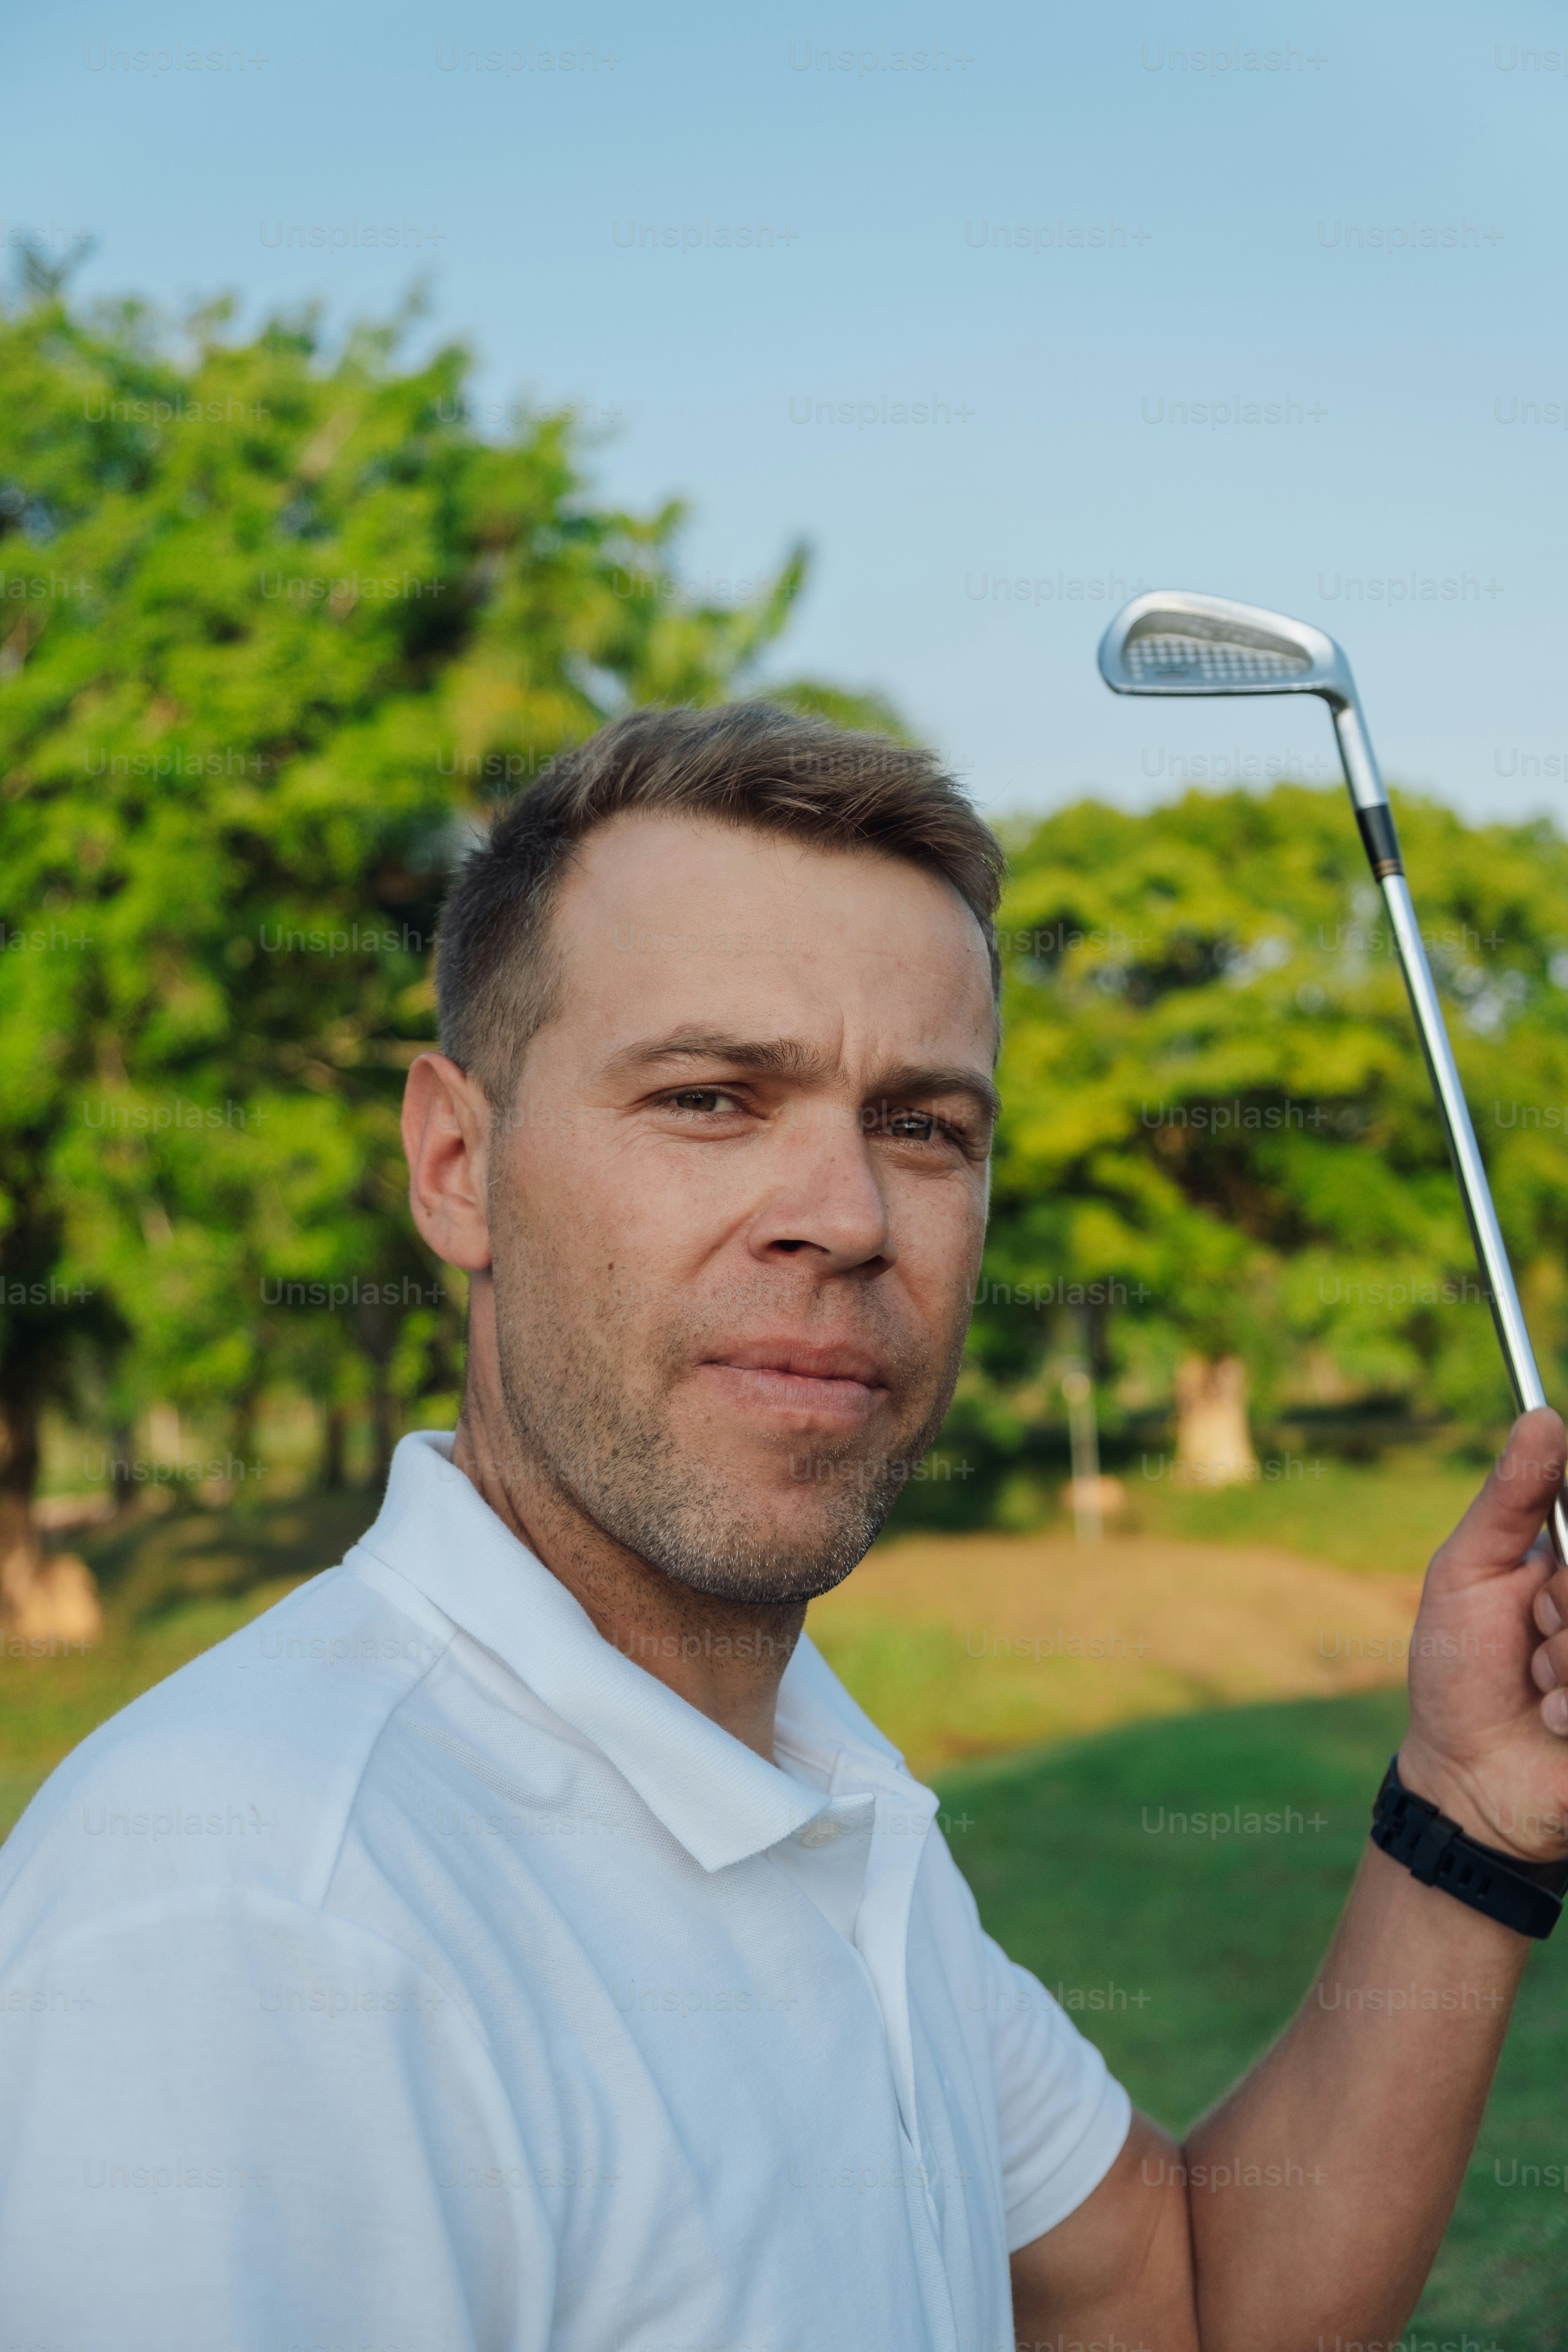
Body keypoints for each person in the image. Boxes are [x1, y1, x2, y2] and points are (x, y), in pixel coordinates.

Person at [2, 701, 1565, 2352]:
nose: (843, 1216)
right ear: (456, 1162)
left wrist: (1461, 1815)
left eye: (921, 1126)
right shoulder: (259, 1924)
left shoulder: (798, 1780)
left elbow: (1183, 2310)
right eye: (708, 1098)